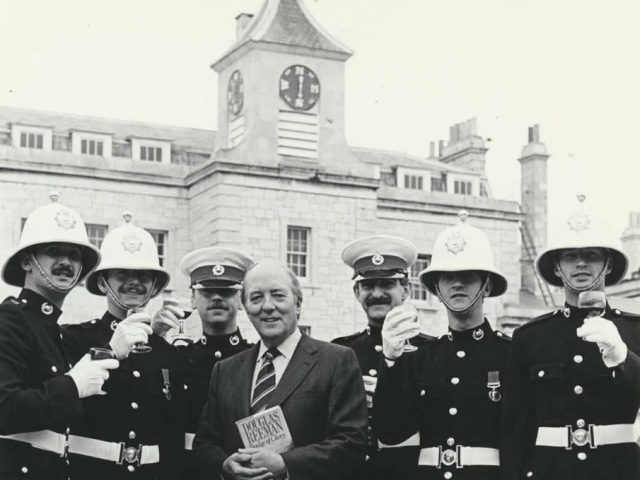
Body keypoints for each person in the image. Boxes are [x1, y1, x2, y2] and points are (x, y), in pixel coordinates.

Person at [500, 195, 640, 480]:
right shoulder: (530, 337)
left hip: (619, 469)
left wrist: (624, 358)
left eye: (591, 255)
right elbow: (515, 425)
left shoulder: (635, 330)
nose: (580, 264)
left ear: (609, 265)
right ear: (556, 267)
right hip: (550, 471)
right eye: (570, 256)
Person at [194, 259, 368, 480]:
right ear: (246, 309)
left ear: (297, 304)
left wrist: (286, 465)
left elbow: (352, 443)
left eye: (278, 295)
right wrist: (224, 465)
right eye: (256, 298)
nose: (267, 306)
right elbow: (205, 443)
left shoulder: (336, 360)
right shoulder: (224, 370)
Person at [374, 210, 511, 480]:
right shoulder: (421, 356)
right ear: (436, 289)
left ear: (486, 286)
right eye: (448, 277)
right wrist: (389, 362)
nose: (457, 283)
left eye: (469, 276)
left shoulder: (510, 353)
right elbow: (391, 432)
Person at [0, 192, 118, 480]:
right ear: (28, 262)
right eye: (54, 252)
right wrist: (72, 385)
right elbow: (4, 408)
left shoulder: (51, 328)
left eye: (75, 255)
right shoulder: (9, 318)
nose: (66, 262)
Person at [61, 211, 186, 480]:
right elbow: (64, 394)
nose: (134, 282)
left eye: (143, 275)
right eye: (122, 273)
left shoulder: (167, 354)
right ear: (103, 282)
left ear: (154, 286)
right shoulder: (73, 339)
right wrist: (110, 348)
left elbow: (173, 435)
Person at [333, 235, 432, 480]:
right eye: (368, 285)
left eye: (386, 284)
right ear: (357, 291)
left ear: (406, 289)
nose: (376, 293)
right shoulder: (341, 352)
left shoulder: (431, 351)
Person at [151, 246, 254, 478]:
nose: (217, 298)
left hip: (244, 469)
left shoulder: (257, 358)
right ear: (192, 299)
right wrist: (153, 336)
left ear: (241, 300)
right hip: (186, 469)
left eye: (226, 291)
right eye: (207, 291)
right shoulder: (177, 357)